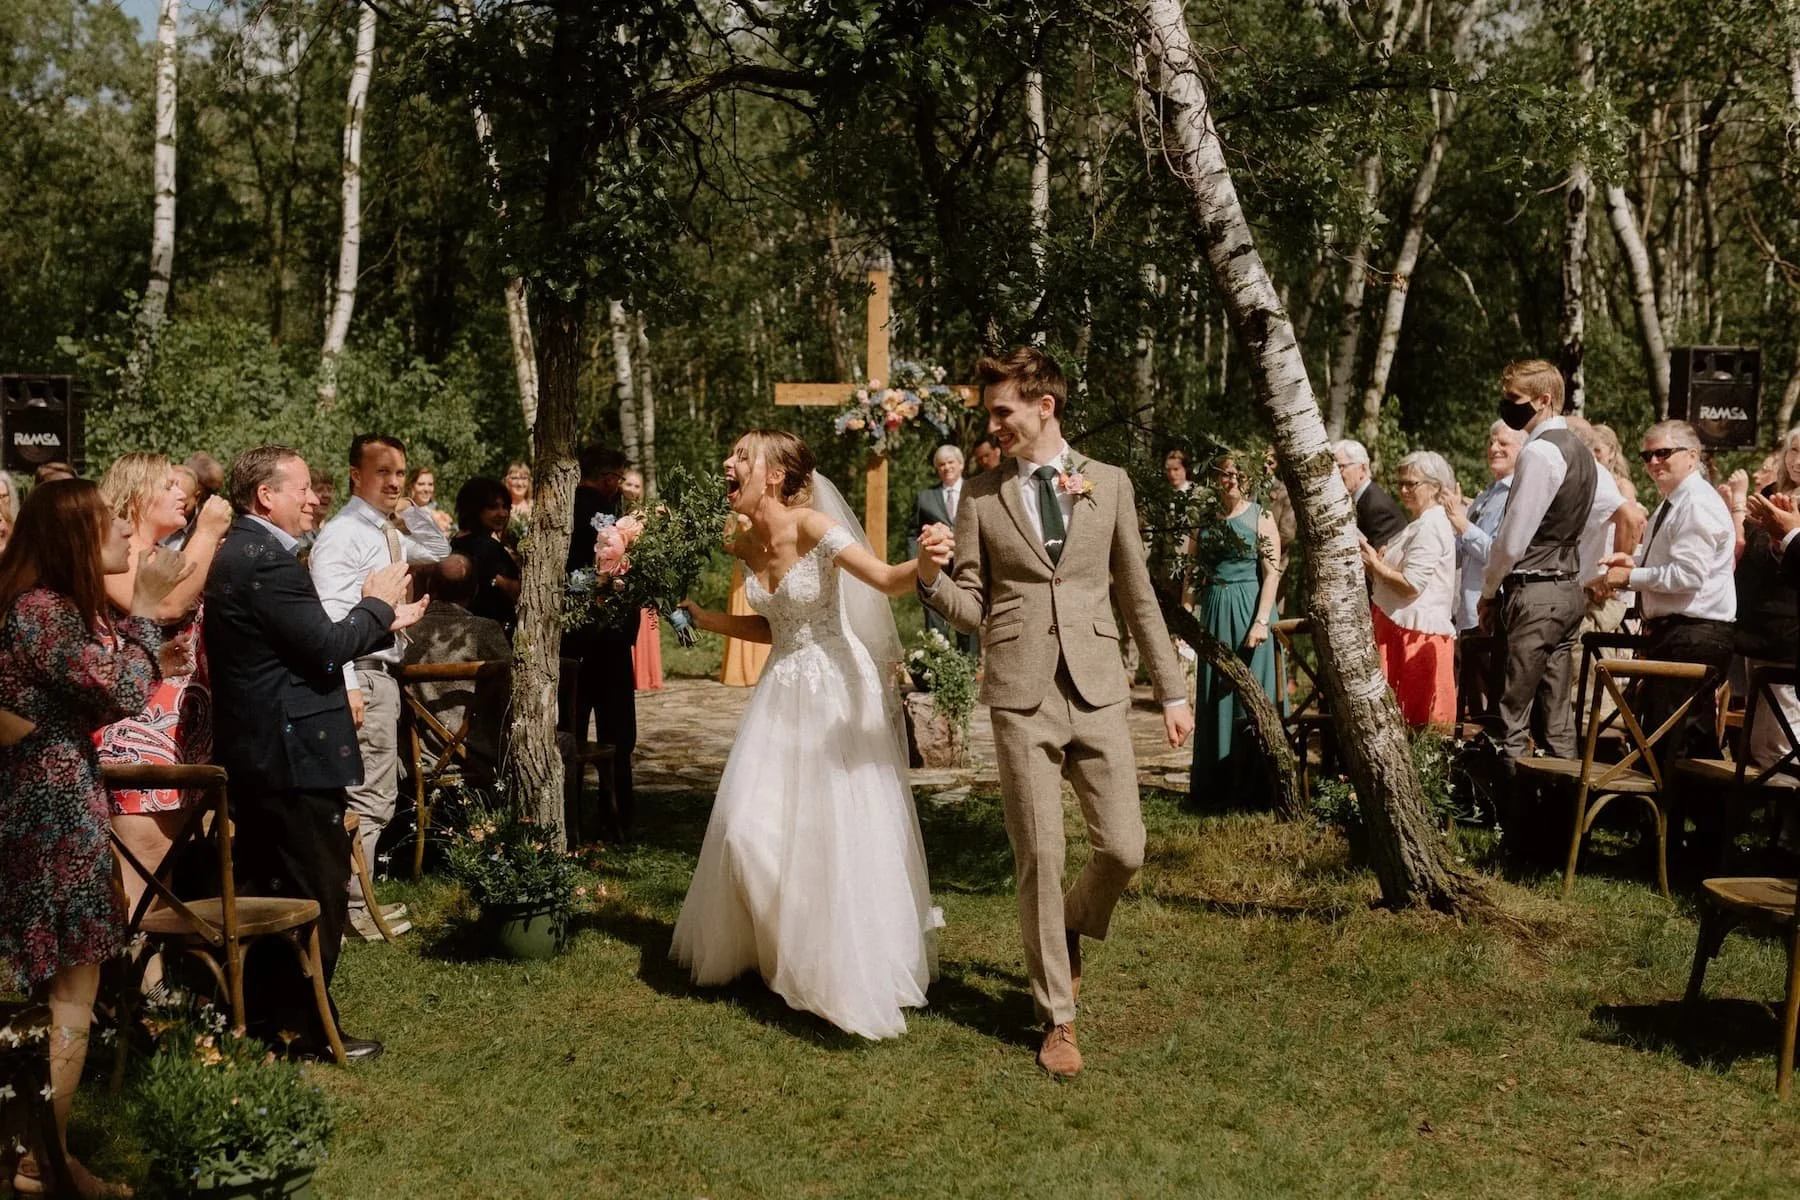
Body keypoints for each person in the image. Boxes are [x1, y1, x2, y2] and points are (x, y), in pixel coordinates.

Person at [917, 347, 1193, 1077]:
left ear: (1046, 406)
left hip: (1100, 684)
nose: (993, 425)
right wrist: (927, 576)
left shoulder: (1111, 484)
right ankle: (1058, 1017)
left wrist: (1170, 689)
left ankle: (1073, 920)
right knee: (1040, 853)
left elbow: (1136, 590)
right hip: (1019, 690)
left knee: (1125, 848)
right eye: (989, 415)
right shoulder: (978, 495)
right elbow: (972, 603)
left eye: (1003, 411)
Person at [672, 430, 940, 1040]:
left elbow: (887, 579)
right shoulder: (745, 541)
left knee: (830, 830)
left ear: (773, 475)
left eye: (741, 456)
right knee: (746, 828)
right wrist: (705, 618)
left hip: (835, 692)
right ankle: (782, 944)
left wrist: (924, 563)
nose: (727, 463)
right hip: (781, 690)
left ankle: (835, 964)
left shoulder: (815, 527)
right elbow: (775, 627)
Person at [0, 479, 189, 1199]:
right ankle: (42, 1163)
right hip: (50, 809)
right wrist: (143, 610)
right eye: (110, 518)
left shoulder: (34, 609)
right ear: (77, 536)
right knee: (73, 982)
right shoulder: (42, 611)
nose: (124, 527)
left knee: (63, 979)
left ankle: (33, 1147)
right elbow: (120, 695)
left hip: (43, 796)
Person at [204, 445, 424, 1060]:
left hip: (269, 751)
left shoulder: (249, 552)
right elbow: (326, 648)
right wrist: (377, 602)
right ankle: (305, 1029)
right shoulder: (264, 561)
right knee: (316, 894)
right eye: (301, 489)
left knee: (274, 892)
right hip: (290, 755)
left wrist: (380, 618)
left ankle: (273, 1023)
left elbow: (303, 643)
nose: (314, 498)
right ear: (264, 496)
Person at [309, 434, 450, 939]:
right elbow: (329, 616)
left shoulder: (384, 529)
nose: (393, 482)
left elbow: (437, 547)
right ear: (355, 476)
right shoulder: (344, 534)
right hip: (362, 671)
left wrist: (410, 509)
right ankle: (350, 908)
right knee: (368, 796)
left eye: (400, 473)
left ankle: (357, 901)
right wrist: (346, 683)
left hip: (380, 672)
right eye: (383, 472)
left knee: (379, 795)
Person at [95, 453, 234, 949]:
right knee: (142, 886)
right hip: (137, 732)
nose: (185, 495)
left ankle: (157, 1004)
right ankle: (129, 1008)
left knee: (166, 882)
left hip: (180, 732)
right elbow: (164, 605)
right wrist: (210, 530)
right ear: (135, 494)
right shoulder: (109, 554)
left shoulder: (158, 553)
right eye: (169, 485)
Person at [1479, 359, 1597, 775]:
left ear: (1544, 401)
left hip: (1535, 590)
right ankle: (1559, 823)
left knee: (1512, 715)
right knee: (1558, 720)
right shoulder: (1583, 452)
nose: (1507, 407)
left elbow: (1512, 540)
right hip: (1567, 587)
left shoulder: (1541, 452)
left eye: (1515, 399)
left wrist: (1489, 591)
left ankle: (1513, 825)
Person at [1597, 420, 1736, 761]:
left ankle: (1694, 813)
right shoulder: (1676, 501)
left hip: (1694, 634)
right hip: (1679, 634)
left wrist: (1630, 578)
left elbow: (1688, 575)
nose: (1653, 462)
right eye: (1646, 456)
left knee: (1677, 746)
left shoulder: (1696, 502)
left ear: (1692, 456)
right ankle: (1676, 813)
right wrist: (1633, 561)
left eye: (1663, 453)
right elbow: (1670, 555)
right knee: (1672, 742)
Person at [1189, 451, 1281, 801]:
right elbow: (1191, 572)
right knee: (1215, 694)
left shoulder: (1262, 517)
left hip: (1249, 611)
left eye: (1236, 475)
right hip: (1214, 612)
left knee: (1250, 696)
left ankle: (1255, 786)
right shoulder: (1204, 519)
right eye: (1224, 474)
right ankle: (1216, 786)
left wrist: (1260, 622)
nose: (1230, 481)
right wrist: (1186, 614)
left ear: (1248, 479)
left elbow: (1272, 574)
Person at [563, 446, 637, 838]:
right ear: (609, 479)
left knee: (570, 728)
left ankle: (566, 813)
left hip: (569, 638)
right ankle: (616, 814)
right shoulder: (611, 520)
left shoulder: (560, 509)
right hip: (607, 637)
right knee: (617, 733)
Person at [1363, 451, 1459, 727]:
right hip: (1399, 629)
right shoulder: (1421, 522)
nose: (1403, 490)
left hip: (1414, 637)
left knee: (1414, 723)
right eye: (1400, 483)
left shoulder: (1431, 525)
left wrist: (1375, 565)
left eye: (1411, 484)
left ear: (1436, 487)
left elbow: (1411, 586)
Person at [400, 553, 512, 778]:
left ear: (430, 587)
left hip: (419, 757)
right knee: (564, 744)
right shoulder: (484, 631)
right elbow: (515, 686)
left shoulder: (406, 635)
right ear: (475, 591)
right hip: (480, 754)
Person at [1727, 428, 1800, 768]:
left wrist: (1781, 538)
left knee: (1782, 741)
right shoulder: (1772, 493)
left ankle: (1787, 816)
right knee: (1759, 742)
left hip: (1786, 632)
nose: (1797, 461)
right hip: (1754, 623)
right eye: (1793, 451)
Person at [1446, 421, 1524, 634]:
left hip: (1491, 613)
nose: (1493, 448)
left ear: (1523, 450)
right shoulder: (1484, 496)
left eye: (1503, 443)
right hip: (1467, 615)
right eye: (1490, 442)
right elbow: (1461, 552)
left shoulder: (1517, 495)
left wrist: (1462, 523)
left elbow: (1500, 555)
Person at [908, 445, 974, 652]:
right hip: (935, 567)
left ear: (961, 464)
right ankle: (938, 666)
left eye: (950, 463)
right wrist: (915, 564)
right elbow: (912, 533)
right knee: (935, 614)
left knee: (968, 612)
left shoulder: (976, 492)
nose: (946, 468)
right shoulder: (925, 497)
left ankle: (971, 668)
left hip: (968, 565)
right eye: (941, 465)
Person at [449, 476, 520, 630]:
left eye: (506, 506)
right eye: (493, 507)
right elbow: (517, 592)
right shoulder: (489, 548)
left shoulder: (455, 542)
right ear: (474, 509)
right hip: (491, 635)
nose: (502, 513)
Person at [621, 467, 664, 690]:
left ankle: (646, 674)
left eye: (637, 485)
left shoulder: (646, 516)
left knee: (645, 619)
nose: (632, 489)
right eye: (628, 483)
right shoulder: (614, 510)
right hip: (618, 572)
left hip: (640, 574)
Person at [1334, 439, 1407, 551]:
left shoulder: (1378, 507)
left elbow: (1380, 558)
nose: (1335, 474)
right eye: (1333, 469)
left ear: (1363, 469)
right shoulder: (1361, 499)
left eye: (1341, 467)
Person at [407, 465, 454, 535]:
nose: (426, 489)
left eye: (430, 484)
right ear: (411, 486)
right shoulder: (404, 513)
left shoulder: (438, 515)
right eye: (421, 484)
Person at [503, 460, 533, 545]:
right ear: (507, 481)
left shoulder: (536, 506)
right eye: (515, 478)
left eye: (524, 478)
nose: (519, 483)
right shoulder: (501, 508)